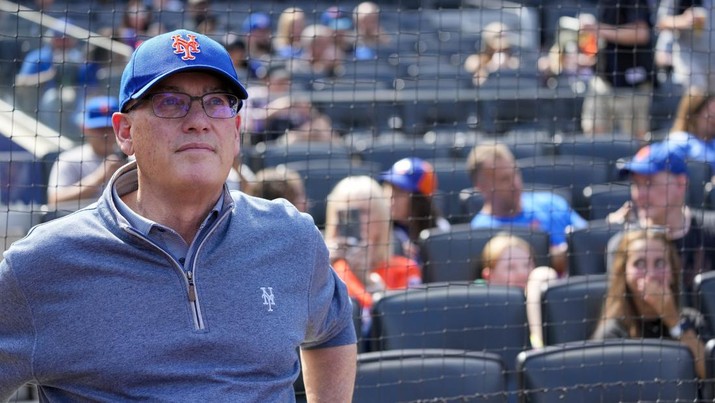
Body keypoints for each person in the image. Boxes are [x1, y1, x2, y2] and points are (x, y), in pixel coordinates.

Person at [0, 29, 357, 401]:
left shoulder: (290, 235)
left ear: (235, 131)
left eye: (217, 102)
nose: (198, 121)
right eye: (171, 102)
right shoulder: (42, 264)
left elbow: (333, 329)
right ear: (125, 133)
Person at [607, 142, 715, 306]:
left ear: (680, 184)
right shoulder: (623, 244)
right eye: (636, 184)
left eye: (649, 184)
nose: (639, 195)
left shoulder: (711, 229)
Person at [592, 228, 709, 378]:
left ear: (673, 272)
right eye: (640, 263)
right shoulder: (613, 334)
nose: (651, 274)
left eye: (660, 263)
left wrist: (674, 321)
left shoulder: (691, 320)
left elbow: (710, 375)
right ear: (624, 274)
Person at [466, 143, 588, 275]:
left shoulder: (552, 203)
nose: (515, 183)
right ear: (482, 187)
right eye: (504, 179)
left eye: (516, 173)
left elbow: (586, 240)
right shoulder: (480, 232)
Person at [324, 175, 422, 334]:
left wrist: (369, 281)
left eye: (362, 212)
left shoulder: (406, 269)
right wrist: (320, 269)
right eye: (344, 213)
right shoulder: (328, 272)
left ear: (381, 217)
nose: (353, 221)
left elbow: (410, 327)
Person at [579, 0, 654, 140]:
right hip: (603, 82)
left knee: (634, 145)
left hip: (632, 86)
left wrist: (598, 29)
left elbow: (641, 33)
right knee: (594, 138)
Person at [477, 232, 558, 348]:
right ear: (489, 276)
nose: (523, 273)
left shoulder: (546, 299)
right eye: (510, 267)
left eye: (527, 265)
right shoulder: (481, 307)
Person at [46, 95, 126, 209]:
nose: (105, 134)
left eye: (110, 128)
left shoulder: (132, 159)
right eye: (99, 129)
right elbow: (54, 201)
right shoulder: (69, 159)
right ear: (84, 128)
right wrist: (100, 176)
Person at [379, 157, 450, 264]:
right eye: (389, 188)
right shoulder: (379, 228)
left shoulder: (440, 229)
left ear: (419, 200)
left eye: (399, 191)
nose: (390, 197)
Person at [655, 0, 714, 91]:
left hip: (711, 58)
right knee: (696, 92)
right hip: (689, 58)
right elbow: (661, 22)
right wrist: (684, 20)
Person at [664, 90, 715, 173]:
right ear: (694, 114)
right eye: (710, 113)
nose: (713, 119)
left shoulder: (712, 143)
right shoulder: (679, 140)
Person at [464, 21, 521, 86]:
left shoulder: (513, 62)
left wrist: (506, 66)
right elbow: (476, 82)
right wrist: (490, 67)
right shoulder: (475, 60)